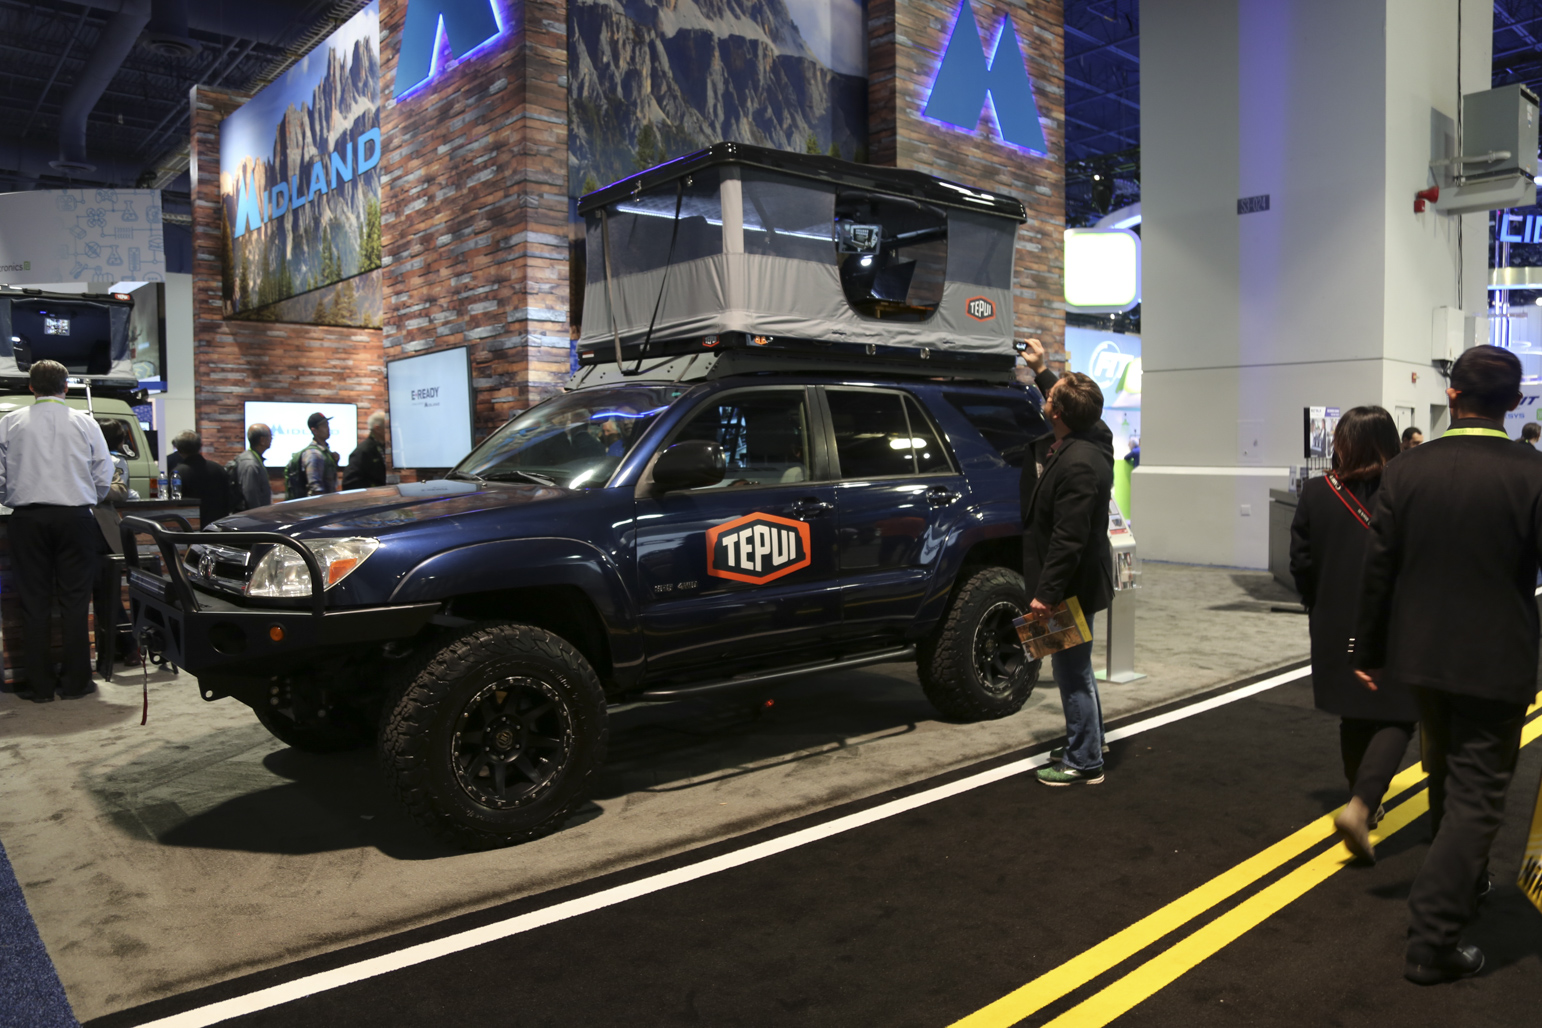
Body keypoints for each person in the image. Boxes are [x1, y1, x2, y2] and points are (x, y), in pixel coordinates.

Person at [1354, 345, 1542, 985]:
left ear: (1453, 397)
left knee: (1443, 773)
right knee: (1478, 798)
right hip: (1498, 657)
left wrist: (1369, 650)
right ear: (1515, 404)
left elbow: (1379, 568)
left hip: (1420, 655)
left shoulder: (1406, 470)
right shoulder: (1532, 471)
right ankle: (1432, 941)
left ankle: (1465, 877)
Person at [1288, 407, 1414, 863]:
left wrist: (1317, 603)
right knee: (1399, 712)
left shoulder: (1318, 491)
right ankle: (1362, 803)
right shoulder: (1404, 490)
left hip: (1332, 619)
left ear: (1340, 442)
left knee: (1353, 713)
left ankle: (1363, 799)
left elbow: (1299, 562)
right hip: (1393, 618)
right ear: (1391, 441)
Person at [0, 360, 113, 701]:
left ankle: (39, 686)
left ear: (31, 387)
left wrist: (12, 498)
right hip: (75, 518)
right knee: (76, 602)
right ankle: (78, 682)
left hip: (26, 519)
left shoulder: (9, 423)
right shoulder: (85, 422)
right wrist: (86, 497)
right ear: (66, 387)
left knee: (33, 603)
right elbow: (103, 472)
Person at [1024, 372, 1116, 786]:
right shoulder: (1091, 441)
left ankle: (1084, 760)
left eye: (1049, 395)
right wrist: (1046, 371)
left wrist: (1046, 594)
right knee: (1076, 669)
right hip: (1075, 585)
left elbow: (1068, 539)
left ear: (1057, 413)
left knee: (1071, 672)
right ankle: (1090, 741)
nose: (1044, 398)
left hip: (1069, 588)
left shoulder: (1079, 463)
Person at [170, 430, 231, 526]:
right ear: (200, 446)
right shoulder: (218, 468)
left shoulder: (178, 473)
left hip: (192, 528)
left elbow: (174, 504)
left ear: (179, 449)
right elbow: (229, 498)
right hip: (219, 526)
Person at [230, 423, 273, 511]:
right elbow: (251, 495)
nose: (272, 439)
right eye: (270, 436)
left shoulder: (250, 459)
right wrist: (258, 516)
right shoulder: (251, 464)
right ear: (262, 440)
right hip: (253, 518)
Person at [342, 410, 388, 490]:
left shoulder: (384, 447)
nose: (390, 430)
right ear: (377, 428)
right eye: (387, 427)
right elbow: (350, 483)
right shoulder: (363, 451)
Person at [300, 412, 340, 496]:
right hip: (322, 506)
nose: (328, 429)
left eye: (327, 425)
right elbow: (316, 489)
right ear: (314, 430)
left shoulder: (325, 452)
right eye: (324, 426)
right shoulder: (314, 454)